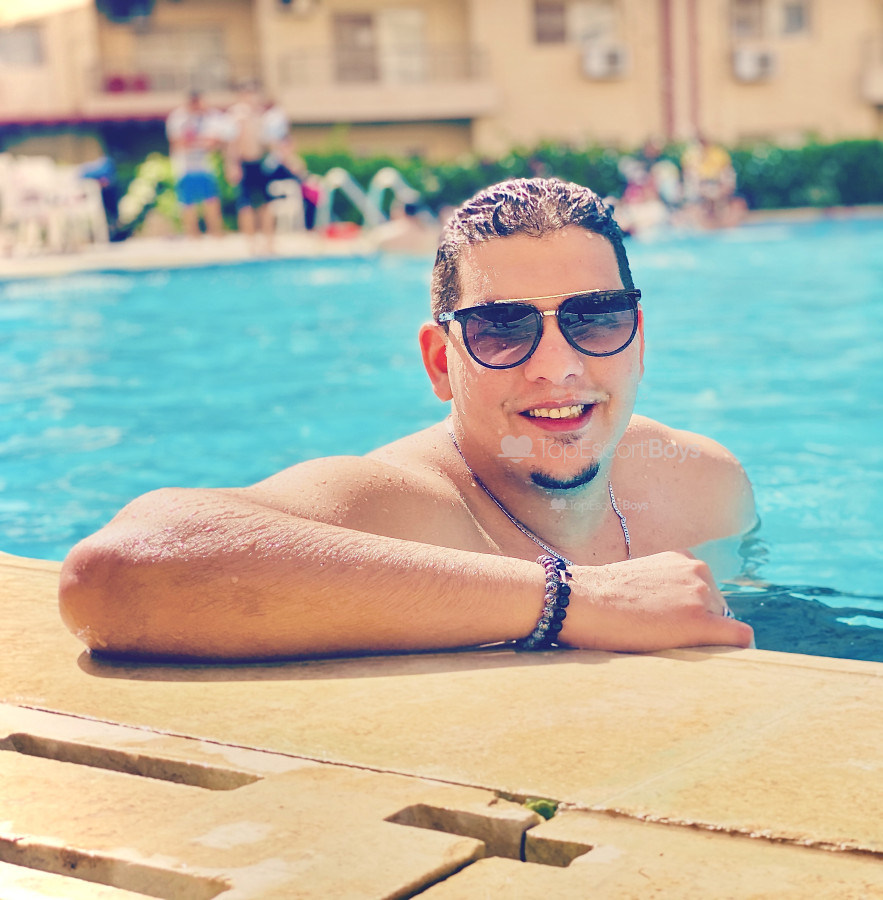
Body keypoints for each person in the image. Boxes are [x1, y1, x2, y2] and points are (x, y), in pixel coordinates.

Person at [58, 178, 755, 661]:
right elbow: (112, 574)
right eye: (501, 329)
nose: (557, 366)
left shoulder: (704, 487)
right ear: (440, 362)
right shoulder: (394, 510)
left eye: (595, 318)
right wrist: (573, 600)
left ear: (639, 340)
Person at [225, 82, 288, 253]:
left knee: (267, 204)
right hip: (244, 163)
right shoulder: (237, 115)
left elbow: (270, 141)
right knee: (245, 205)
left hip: (261, 163)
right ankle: (251, 244)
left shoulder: (262, 115)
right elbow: (232, 143)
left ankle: (269, 242)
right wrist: (232, 165)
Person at [165, 91, 224, 238]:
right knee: (187, 203)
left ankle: (216, 233)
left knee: (211, 200)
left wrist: (196, 142)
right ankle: (193, 235)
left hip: (205, 166)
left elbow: (215, 141)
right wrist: (201, 142)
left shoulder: (208, 117)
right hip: (185, 167)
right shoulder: (178, 118)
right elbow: (177, 142)